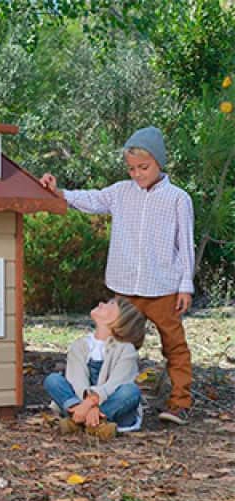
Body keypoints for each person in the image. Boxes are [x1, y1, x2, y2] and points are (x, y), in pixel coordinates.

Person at [39, 126, 195, 425]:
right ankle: (102, 402)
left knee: (174, 346)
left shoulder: (178, 199)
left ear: (159, 162)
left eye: (143, 167)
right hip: (124, 289)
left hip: (163, 287)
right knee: (117, 348)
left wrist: (185, 286)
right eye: (131, 168)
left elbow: (185, 245)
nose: (137, 174)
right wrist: (59, 193)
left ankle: (179, 403)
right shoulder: (120, 192)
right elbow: (91, 199)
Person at [44, 297, 147, 440]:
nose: (101, 303)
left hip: (113, 407)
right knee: (53, 380)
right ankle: (95, 425)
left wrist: (92, 404)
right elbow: (76, 380)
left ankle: (78, 421)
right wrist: (85, 405)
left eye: (110, 304)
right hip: (81, 402)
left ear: (120, 320)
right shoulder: (80, 345)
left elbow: (115, 383)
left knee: (131, 391)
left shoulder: (126, 350)